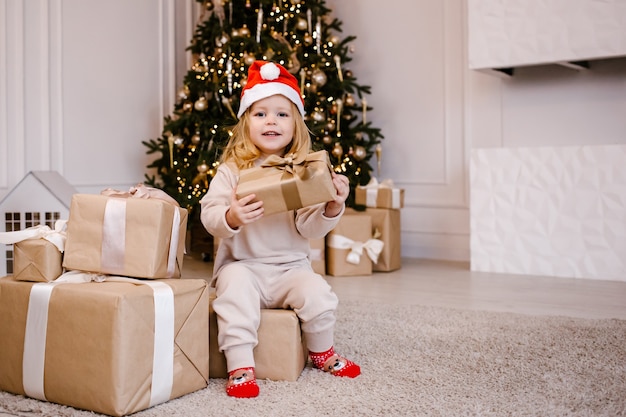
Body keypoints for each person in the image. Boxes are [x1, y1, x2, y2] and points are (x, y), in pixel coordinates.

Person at [200, 60, 360, 398]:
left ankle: (322, 351)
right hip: (243, 266)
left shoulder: (301, 171)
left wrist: (332, 204)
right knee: (234, 296)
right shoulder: (233, 171)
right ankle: (240, 365)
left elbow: (309, 227)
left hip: (290, 267)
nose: (271, 120)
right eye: (260, 114)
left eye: (281, 114)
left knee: (318, 294)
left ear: (295, 125)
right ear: (246, 124)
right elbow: (209, 215)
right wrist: (232, 216)